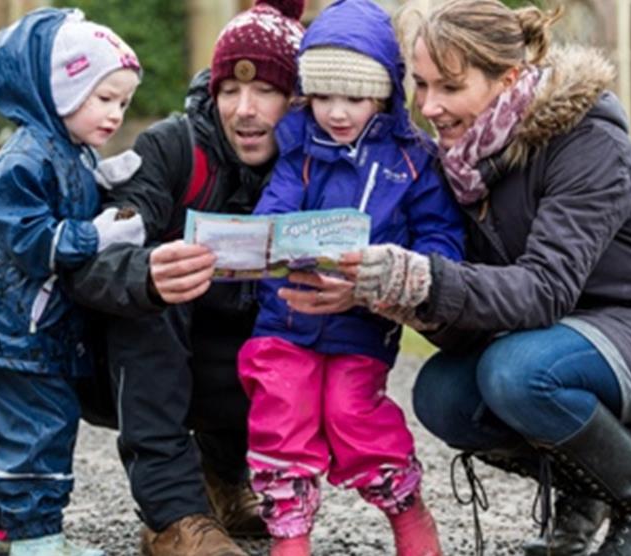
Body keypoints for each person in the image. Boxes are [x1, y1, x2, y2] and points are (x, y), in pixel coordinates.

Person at [304, 1, 631, 554]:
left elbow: (542, 291)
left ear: (507, 79)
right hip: (571, 334)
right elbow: (472, 323)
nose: (429, 106)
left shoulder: (586, 143)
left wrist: (419, 279)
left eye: (450, 88)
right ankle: (588, 490)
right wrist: (395, 293)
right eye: (422, 84)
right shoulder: (460, 167)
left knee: (517, 372)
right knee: (442, 395)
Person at [65, 1, 306, 554]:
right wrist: (146, 273)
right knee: (157, 300)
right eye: (229, 91)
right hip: (130, 368)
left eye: (265, 91)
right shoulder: (172, 148)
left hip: (241, 362)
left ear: (297, 99)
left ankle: (226, 477)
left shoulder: (319, 161)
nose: (244, 110)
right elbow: (93, 259)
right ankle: (171, 515)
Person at [236, 1, 464, 555]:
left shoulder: (413, 163)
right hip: (286, 317)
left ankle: (407, 514)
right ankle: (289, 535)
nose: (337, 112)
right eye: (324, 97)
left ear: (384, 94)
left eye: (355, 98)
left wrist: (398, 270)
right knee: (280, 409)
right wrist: (271, 239)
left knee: (353, 413)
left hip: (362, 322)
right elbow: (272, 214)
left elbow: (439, 239)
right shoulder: (298, 151)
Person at [0, 8, 145, 556]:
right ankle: (37, 539)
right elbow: (36, 243)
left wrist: (104, 178)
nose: (114, 113)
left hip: (18, 331)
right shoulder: (25, 159)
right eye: (103, 98)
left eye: (122, 103)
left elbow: (68, 194)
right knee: (42, 428)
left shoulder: (65, 150)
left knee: (0, 428)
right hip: (22, 331)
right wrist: (99, 235)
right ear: (62, 89)